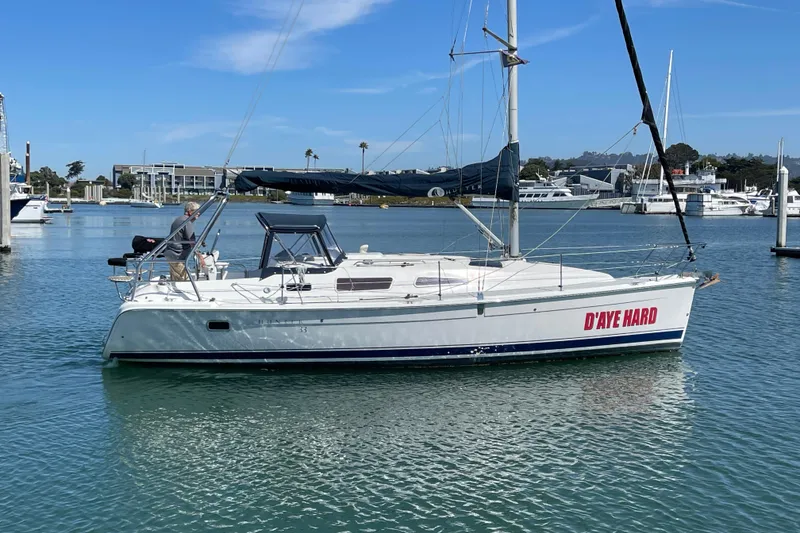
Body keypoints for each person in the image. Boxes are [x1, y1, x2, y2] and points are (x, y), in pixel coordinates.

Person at [165, 201, 201, 281]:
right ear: (189, 211)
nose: (199, 213)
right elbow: (191, 241)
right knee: (185, 280)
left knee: (175, 280)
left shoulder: (179, 219)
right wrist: (199, 255)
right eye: (197, 211)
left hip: (171, 254)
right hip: (177, 256)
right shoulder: (187, 222)